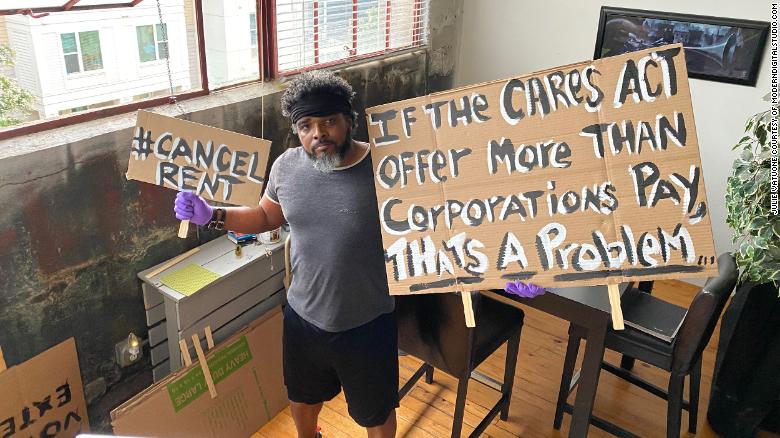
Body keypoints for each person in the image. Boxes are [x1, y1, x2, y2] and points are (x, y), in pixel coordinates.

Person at [173, 70, 545, 438]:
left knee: (376, 414)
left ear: (349, 121)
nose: (318, 134)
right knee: (302, 399)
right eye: (306, 126)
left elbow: (441, 227)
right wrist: (213, 215)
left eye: (329, 121)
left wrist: (502, 267)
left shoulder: (387, 168)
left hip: (367, 325)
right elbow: (267, 215)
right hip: (303, 318)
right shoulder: (286, 167)